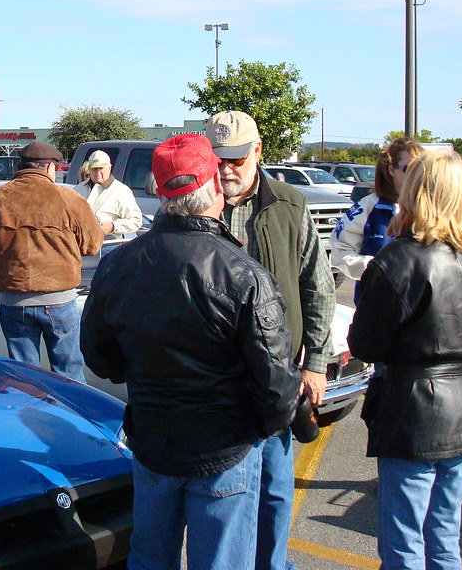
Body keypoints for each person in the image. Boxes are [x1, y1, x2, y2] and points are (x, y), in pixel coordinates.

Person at [81, 134, 301, 570]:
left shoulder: (121, 265)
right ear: (216, 187)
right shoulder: (244, 274)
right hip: (222, 449)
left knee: (149, 559)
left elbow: (99, 358)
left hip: (157, 440)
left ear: (160, 194)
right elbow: (277, 387)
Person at [348, 151, 462, 570]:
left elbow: (365, 344)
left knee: (403, 543)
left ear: (417, 193)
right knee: (445, 537)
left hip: (412, 409)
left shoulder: (399, 259)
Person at [207, 110, 335, 570]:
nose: (226, 169)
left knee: (276, 490)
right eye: (219, 158)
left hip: (277, 378)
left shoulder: (288, 205)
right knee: (223, 496)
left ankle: (273, 565)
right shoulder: (199, 203)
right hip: (218, 381)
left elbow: (317, 286)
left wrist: (316, 361)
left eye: (237, 159)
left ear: (257, 150)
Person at [0, 140, 103, 381]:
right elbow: (92, 244)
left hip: (13, 299)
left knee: (24, 378)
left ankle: (27, 414)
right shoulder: (68, 198)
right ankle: (70, 418)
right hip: (59, 298)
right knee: (69, 375)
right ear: (50, 168)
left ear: (22, 166)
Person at [331, 137, 423, 302]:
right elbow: (340, 252)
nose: (417, 175)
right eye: (410, 168)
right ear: (392, 170)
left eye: (422, 168)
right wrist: (379, 268)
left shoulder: (431, 209)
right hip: (377, 309)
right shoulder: (366, 208)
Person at [73, 149, 143, 237]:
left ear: (109, 167)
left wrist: (112, 226)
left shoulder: (121, 191)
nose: (98, 173)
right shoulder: (78, 190)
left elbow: (136, 221)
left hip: (108, 245)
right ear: (89, 169)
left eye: (101, 168)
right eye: (94, 169)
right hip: (80, 245)